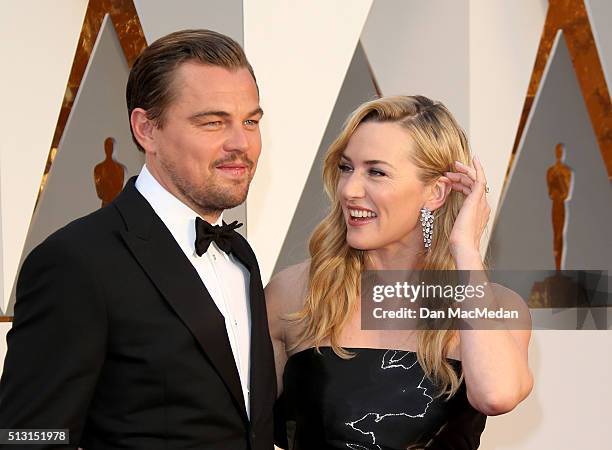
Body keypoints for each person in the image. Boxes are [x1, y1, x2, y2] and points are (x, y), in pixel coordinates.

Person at [0, 29, 275, 449]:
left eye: (250, 121)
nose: (241, 143)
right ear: (146, 129)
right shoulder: (77, 263)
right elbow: (25, 436)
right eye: (213, 122)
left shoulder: (241, 257)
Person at [266, 96, 533, 449]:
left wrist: (465, 250)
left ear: (435, 192)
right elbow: (236, 424)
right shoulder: (297, 293)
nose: (349, 190)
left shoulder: (495, 305)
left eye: (376, 172)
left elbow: (496, 395)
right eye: (347, 168)